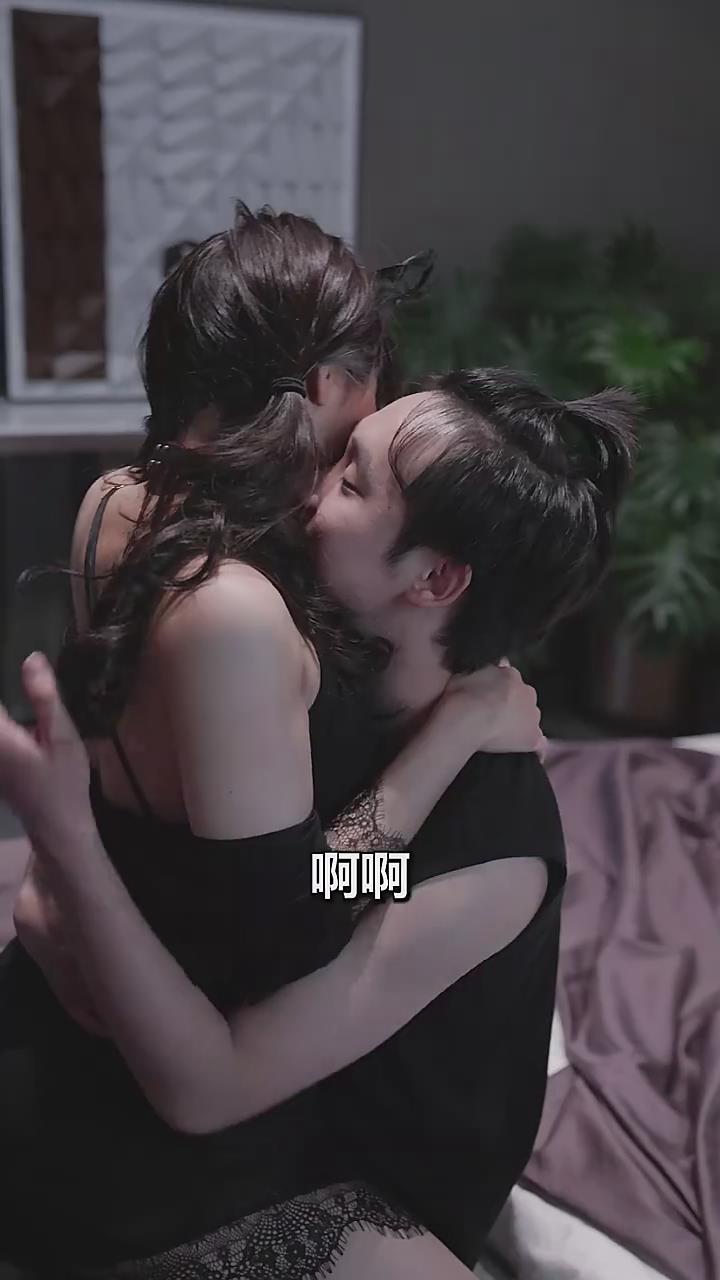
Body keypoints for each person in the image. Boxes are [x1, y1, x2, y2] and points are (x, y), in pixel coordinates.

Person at [0, 204, 543, 1279]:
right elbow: (292, 921)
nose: (343, 470)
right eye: (356, 445)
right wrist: (444, 759)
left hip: (88, 1004)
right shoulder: (236, 611)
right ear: (325, 386)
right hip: (156, 1110)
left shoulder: (116, 499)